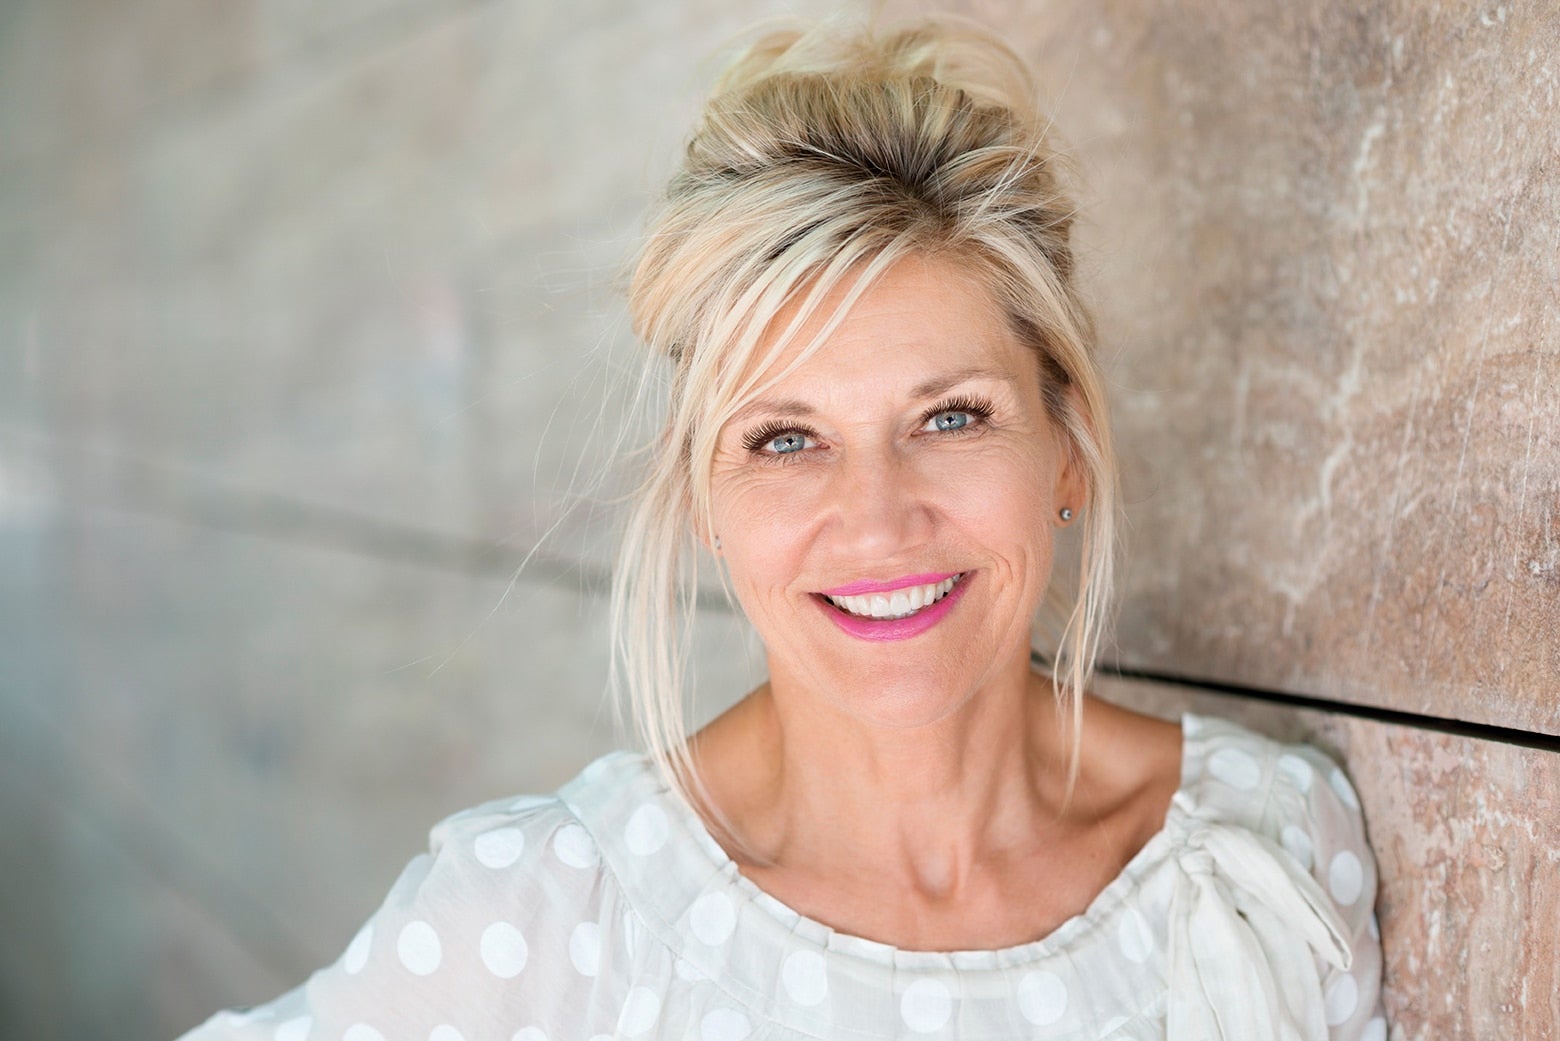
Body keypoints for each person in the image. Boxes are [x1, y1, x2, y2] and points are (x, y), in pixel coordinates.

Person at [181, 17, 1385, 1041]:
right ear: (703, 496)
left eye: (951, 416)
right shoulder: (545, 918)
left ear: (1066, 447)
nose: (876, 520)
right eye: (787, 439)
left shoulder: (1269, 853)